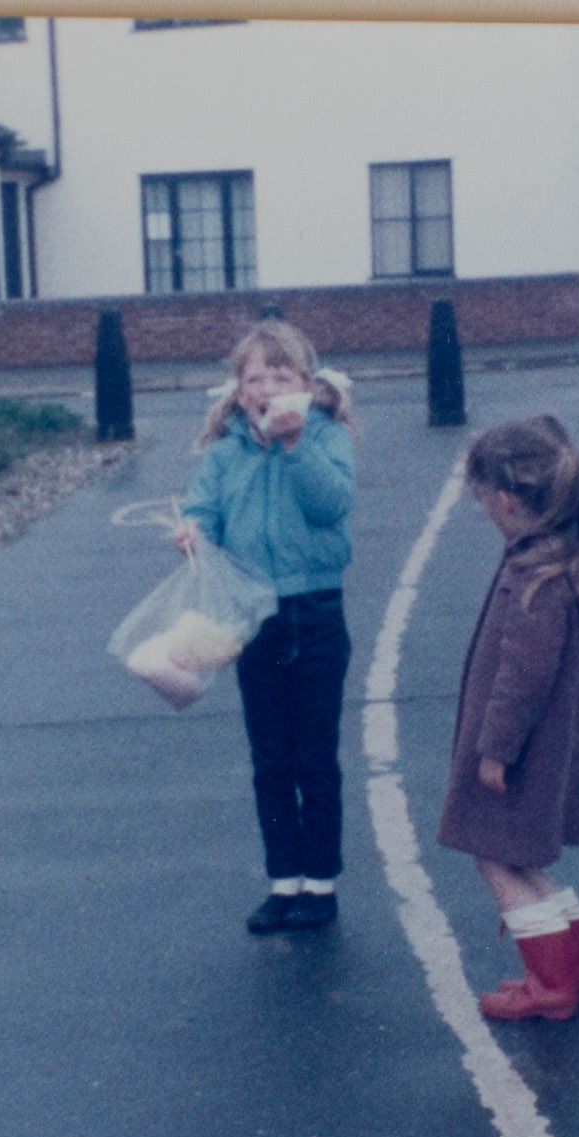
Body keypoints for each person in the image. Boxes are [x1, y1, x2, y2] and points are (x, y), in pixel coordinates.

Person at [437, 416, 579, 1021]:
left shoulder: (534, 578)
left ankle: (550, 987)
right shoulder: (564, 559)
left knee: (494, 852)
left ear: (506, 499)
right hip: (551, 740)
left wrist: (495, 750)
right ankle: (572, 974)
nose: (483, 510)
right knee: (520, 854)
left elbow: (522, 677)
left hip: (525, 745)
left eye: (481, 499)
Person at [172, 321, 357, 934]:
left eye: (282, 377)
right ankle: (284, 882)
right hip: (255, 619)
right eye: (256, 378)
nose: (268, 388)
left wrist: (295, 444)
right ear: (239, 389)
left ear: (306, 385)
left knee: (315, 757)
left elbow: (330, 505)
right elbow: (205, 511)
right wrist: (193, 534)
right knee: (270, 758)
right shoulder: (226, 452)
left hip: (317, 612)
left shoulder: (327, 436)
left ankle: (321, 885)